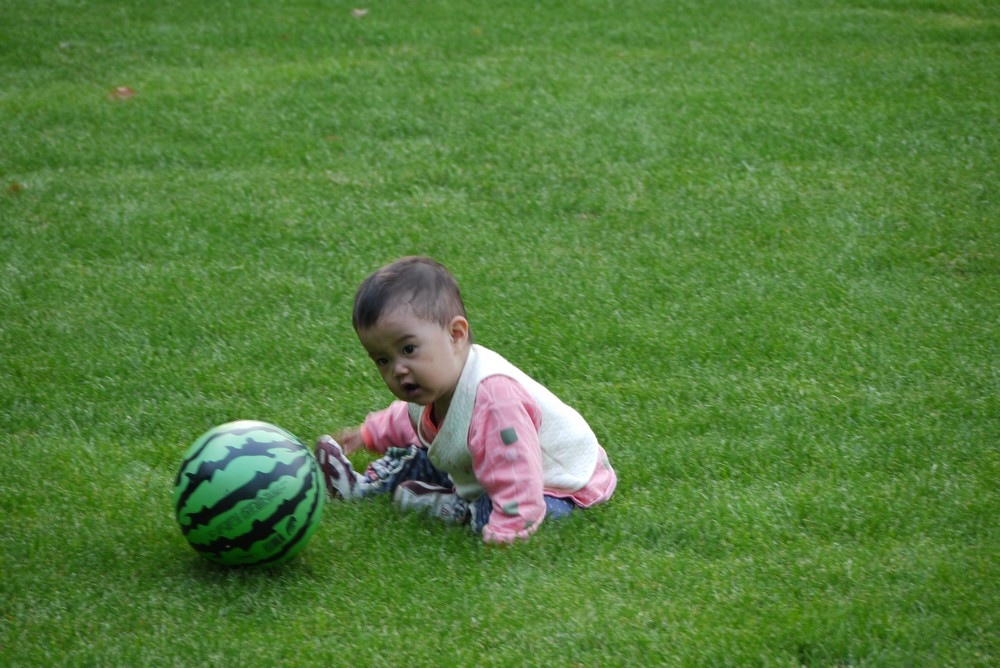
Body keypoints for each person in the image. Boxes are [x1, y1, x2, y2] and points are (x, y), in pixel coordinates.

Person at [316, 256, 616, 544]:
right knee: (417, 456)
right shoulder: (432, 381)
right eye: (383, 360)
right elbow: (406, 418)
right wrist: (369, 433)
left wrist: (509, 529)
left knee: (508, 508)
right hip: (487, 462)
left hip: (557, 484)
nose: (398, 369)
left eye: (408, 349)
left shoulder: (495, 401)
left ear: (456, 334)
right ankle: (361, 487)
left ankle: (456, 508)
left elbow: (518, 475)